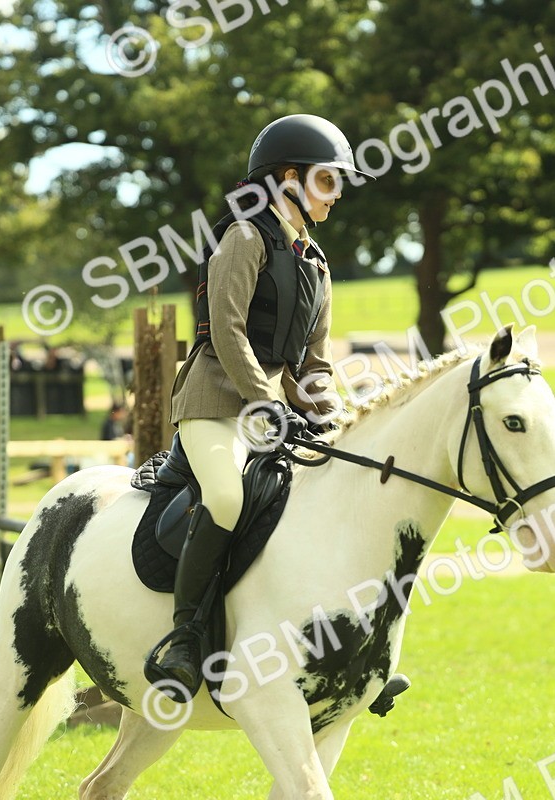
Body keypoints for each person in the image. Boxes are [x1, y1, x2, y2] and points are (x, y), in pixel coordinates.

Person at [150, 114, 373, 699]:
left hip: (274, 412)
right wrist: (265, 400)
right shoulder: (244, 239)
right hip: (215, 403)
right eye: (329, 181)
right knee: (227, 497)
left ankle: (350, 647)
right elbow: (227, 331)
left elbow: (317, 362)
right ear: (288, 180)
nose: (338, 194)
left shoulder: (317, 264)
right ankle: (184, 635)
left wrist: (335, 417)